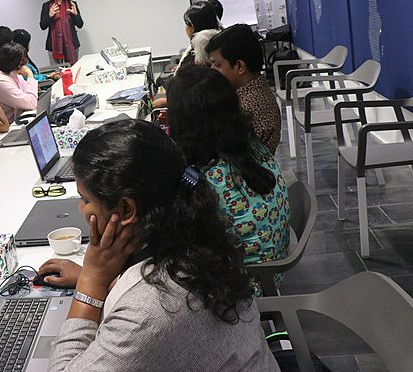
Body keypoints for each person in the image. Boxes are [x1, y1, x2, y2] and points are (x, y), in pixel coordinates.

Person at [39, 120, 279, 371]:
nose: (80, 208)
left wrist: (91, 280)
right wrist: (107, 279)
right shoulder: (196, 238)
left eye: (85, 199)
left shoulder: (150, 312)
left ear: (125, 209)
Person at [167, 65, 289, 295]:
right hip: (270, 273)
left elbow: (179, 238)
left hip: (245, 289)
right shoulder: (250, 147)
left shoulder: (209, 182)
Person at [206, 24, 281, 153]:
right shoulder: (254, 90)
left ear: (240, 66)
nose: (212, 69)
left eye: (217, 64)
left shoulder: (246, 109)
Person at [0, 43, 38, 123]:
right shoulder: (0, 82)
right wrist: (30, 75)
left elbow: (28, 96)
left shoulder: (12, 74)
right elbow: (30, 103)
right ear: (18, 64)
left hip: (12, 123)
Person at [40, 0, 83, 65]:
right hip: (54, 46)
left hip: (72, 45)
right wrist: (50, 16)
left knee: (72, 72)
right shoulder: (47, 6)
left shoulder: (72, 4)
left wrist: (76, 14)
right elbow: (42, 26)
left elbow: (80, 25)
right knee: (57, 74)